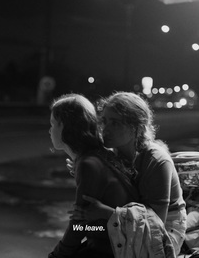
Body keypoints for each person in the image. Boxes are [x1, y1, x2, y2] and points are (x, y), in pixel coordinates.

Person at [72, 91, 187, 255]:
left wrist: (106, 212)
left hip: (165, 230)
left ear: (136, 127)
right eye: (104, 121)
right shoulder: (113, 153)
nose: (106, 129)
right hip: (125, 220)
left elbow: (156, 225)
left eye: (115, 123)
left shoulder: (156, 161)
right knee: (87, 233)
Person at [48, 93, 140, 258]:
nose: (49, 130)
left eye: (53, 124)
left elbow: (80, 225)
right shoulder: (97, 156)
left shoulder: (88, 164)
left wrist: (58, 254)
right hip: (111, 235)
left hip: (113, 246)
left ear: (66, 127)